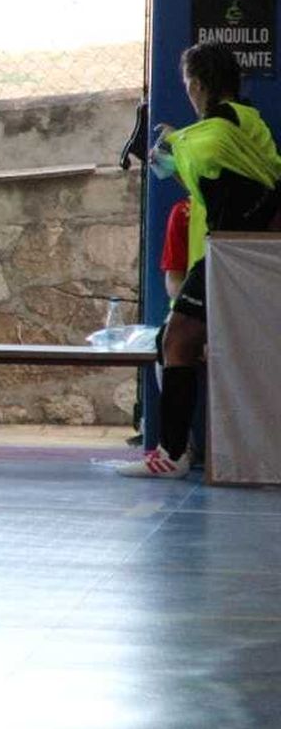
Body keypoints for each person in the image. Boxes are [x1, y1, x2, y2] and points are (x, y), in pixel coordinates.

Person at [119, 43, 281, 478]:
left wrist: (176, 143)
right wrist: (177, 150)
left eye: (188, 82)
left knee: (177, 339)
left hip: (233, 253)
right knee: (175, 338)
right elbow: (219, 173)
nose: (188, 90)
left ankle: (172, 453)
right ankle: (175, 451)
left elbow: (211, 154)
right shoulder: (247, 122)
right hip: (237, 254)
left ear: (197, 84)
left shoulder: (222, 127)